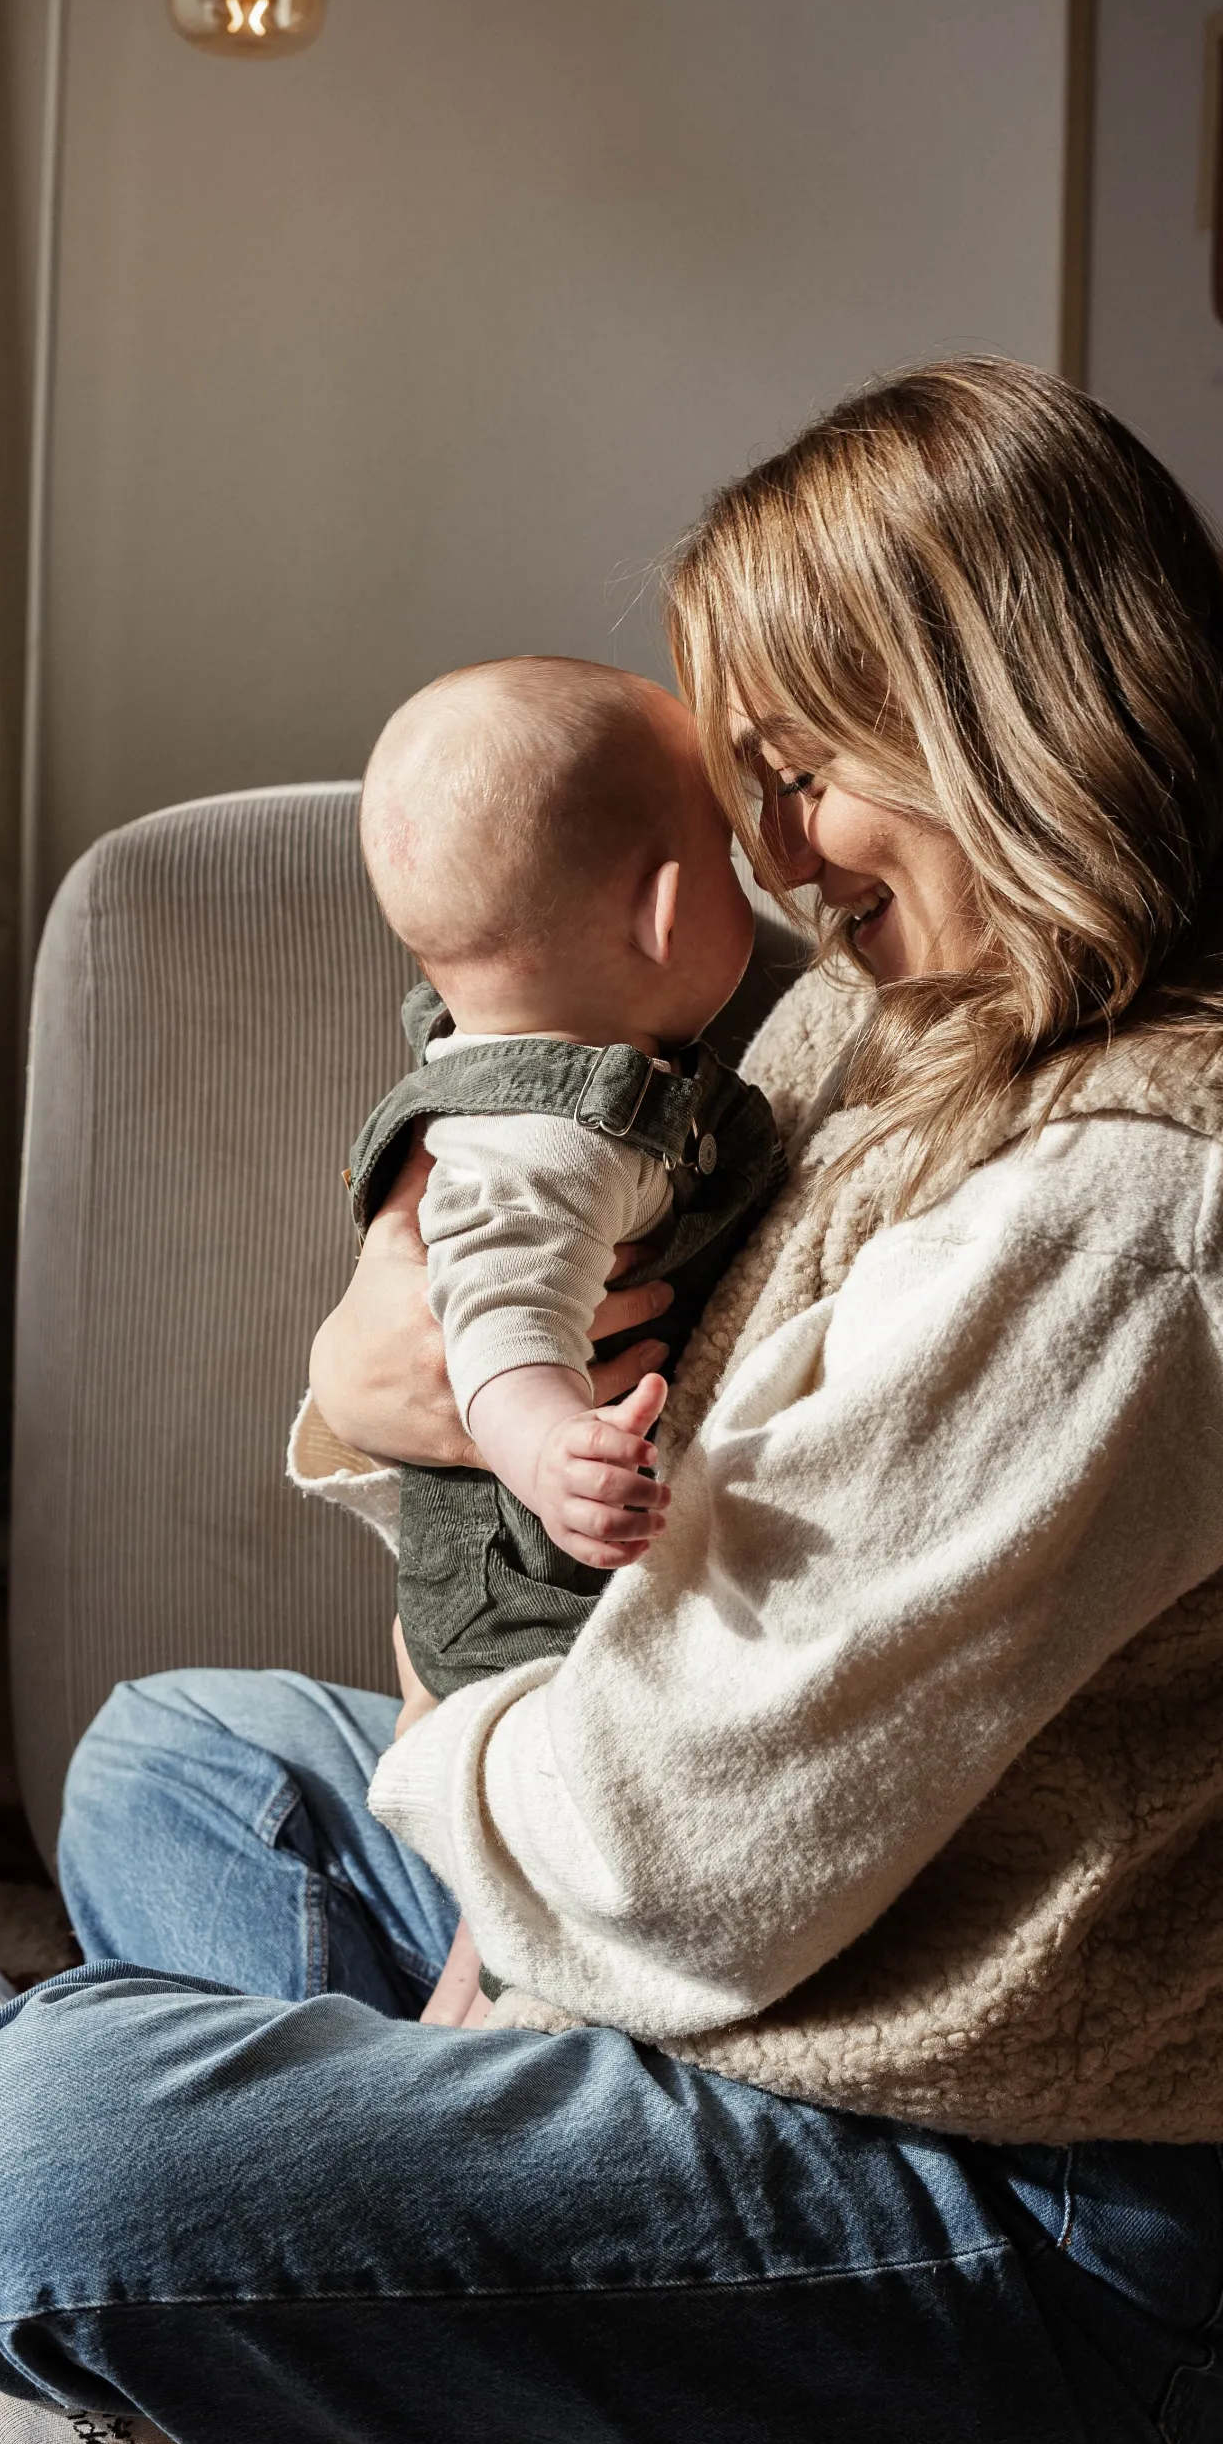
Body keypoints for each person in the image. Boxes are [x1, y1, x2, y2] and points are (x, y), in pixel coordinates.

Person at [0, 358, 1223, 2444]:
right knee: (171, 1759)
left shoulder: (1146, 1205)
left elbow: (681, 1858)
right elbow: (484, 1346)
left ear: (1002, 712)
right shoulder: (928, 1021)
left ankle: (200, 2252)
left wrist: (518, 1923)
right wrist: (396, 1384)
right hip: (771, 1979)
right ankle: (360, 2351)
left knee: (37, 2168)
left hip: (1008, 2211)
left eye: (803, 770)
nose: (768, 864)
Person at [346, 654, 785, 1697]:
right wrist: (549, 1452)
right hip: (543, 1618)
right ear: (668, 910)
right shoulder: (554, 1139)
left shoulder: (539, 1079)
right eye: (728, 851)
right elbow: (500, 1326)